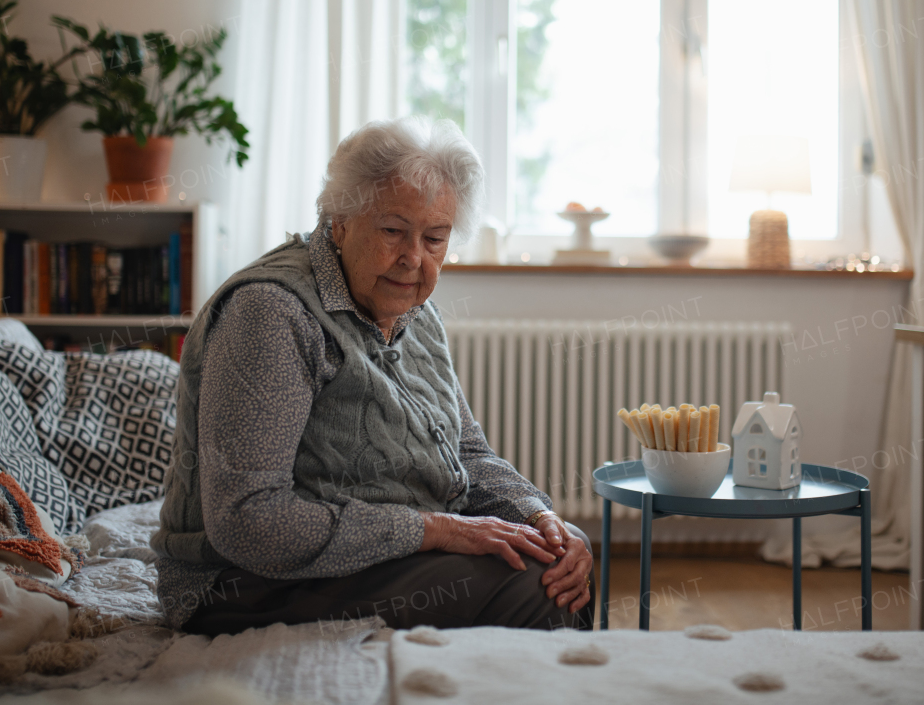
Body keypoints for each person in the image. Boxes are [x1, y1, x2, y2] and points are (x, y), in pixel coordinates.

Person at [152, 117, 594, 634]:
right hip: (244, 583)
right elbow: (248, 522)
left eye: (435, 239)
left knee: (564, 557)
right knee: (535, 587)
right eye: (392, 231)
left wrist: (541, 516)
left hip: (385, 555)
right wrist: (433, 530)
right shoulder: (271, 313)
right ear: (339, 221)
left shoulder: (416, 312)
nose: (413, 258)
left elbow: (467, 454)